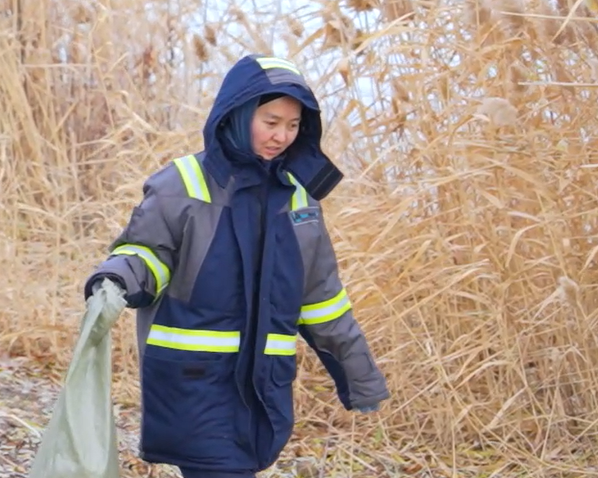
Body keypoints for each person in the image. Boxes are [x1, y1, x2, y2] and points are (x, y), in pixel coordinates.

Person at [84, 54, 388, 478]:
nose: (282, 136)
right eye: (271, 121)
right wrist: (116, 280)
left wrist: (360, 380)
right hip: (194, 386)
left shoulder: (299, 199)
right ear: (239, 113)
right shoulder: (184, 183)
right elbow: (147, 253)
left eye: (293, 125)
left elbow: (322, 300)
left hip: (266, 389)